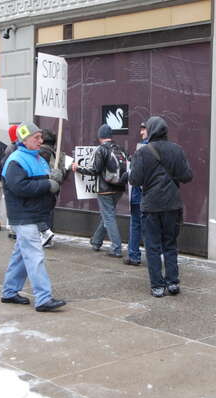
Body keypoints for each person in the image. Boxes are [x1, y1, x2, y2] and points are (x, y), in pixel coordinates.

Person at [1, 122, 66, 312]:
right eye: (36, 137)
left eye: (40, 137)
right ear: (25, 139)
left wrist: (55, 177)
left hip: (32, 214)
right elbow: (19, 188)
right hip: (24, 215)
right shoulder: (16, 160)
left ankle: (9, 291)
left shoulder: (37, 158)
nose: (41, 140)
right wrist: (48, 184)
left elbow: (44, 182)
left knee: (22, 255)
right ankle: (43, 298)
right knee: (34, 256)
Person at [128, 116, 193, 297]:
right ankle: (173, 282)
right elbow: (187, 176)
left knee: (153, 246)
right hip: (172, 205)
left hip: (151, 206)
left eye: (145, 129)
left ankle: (157, 286)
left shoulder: (143, 152)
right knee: (170, 245)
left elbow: (134, 180)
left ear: (151, 130)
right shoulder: (177, 150)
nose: (143, 132)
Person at [71, 124, 127, 258]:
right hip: (119, 188)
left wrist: (78, 168)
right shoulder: (120, 149)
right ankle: (96, 241)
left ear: (100, 136)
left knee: (108, 216)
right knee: (107, 215)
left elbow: (95, 170)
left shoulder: (101, 150)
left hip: (105, 189)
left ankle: (116, 247)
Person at [37, 129, 67, 247]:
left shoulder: (41, 152)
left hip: (44, 186)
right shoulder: (58, 153)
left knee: (41, 212)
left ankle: (45, 236)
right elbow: (63, 173)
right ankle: (47, 237)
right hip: (55, 187)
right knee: (49, 211)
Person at [126, 122, 148, 266]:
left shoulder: (143, 148)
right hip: (144, 194)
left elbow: (135, 172)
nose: (141, 132)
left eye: (143, 129)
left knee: (137, 225)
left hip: (139, 194)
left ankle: (134, 255)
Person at [2, 124, 23, 241]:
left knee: (11, 203)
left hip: (10, 180)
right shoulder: (19, 147)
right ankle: (15, 228)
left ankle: (12, 229)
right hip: (16, 179)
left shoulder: (10, 148)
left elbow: (4, 164)